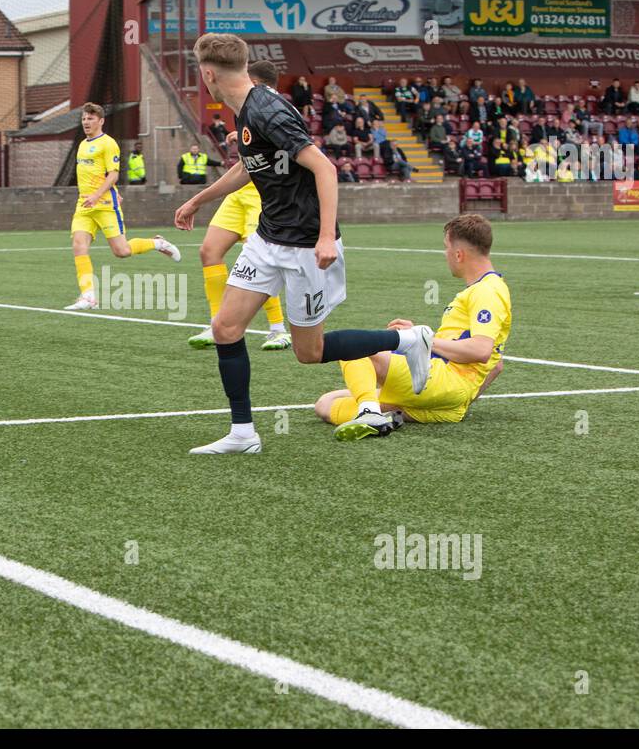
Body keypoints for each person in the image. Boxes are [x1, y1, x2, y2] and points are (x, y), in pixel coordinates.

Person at [173, 33, 435, 455]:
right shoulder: (244, 109)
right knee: (225, 328)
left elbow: (325, 168)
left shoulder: (268, 111)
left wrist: (326, 235)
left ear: (208, 75)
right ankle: (243, 433)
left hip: (304, 246)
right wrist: (198, 200)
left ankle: (406, 341)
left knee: (309, 352)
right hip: (267, 237)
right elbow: (249, 166)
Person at [314, 214, 510, 440]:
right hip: (448, 393)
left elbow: (481, 350)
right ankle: (388, 415)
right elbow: (497, 365)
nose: (445, 254)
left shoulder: (486, 291)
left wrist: (419, 339)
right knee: (325, 404)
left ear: (458, 254)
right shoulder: (489, 287)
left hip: (443, 380)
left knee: (354, 348)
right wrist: (461, 403)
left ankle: (369, 413)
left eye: (446, 248)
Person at [189, 59, 294, 353]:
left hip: (261, 194)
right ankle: (216, 323)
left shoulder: (273, 108)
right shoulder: (245, 107)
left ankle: (278, 329)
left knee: (258, 262)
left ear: (257, 83)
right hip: (239, 192)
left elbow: (289, 152)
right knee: (209, 251)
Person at [65, 102, 180, 310]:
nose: (86, 122)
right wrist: (90, 197)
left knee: (122, 251)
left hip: (105, 205)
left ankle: (157, 243)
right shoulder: (82, 145)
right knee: (78, 246)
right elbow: (92, 174)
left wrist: (100, 195)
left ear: (101, 121)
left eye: (90, 119)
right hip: (84, 206)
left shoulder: (109, 144)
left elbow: (114, 174)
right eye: (83, 119)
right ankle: (88, 295)